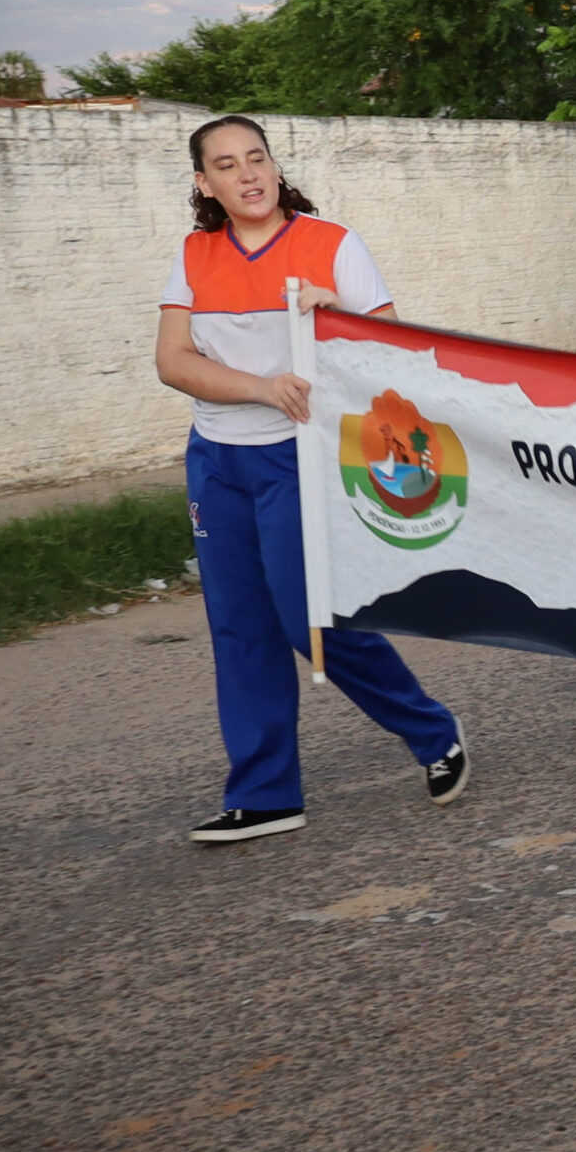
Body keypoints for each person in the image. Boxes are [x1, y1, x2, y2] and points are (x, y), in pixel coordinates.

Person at [156, 115, 470, 843]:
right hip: (217, 459)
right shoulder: (195, 254)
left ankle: (432, 730)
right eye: (227, 165)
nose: (248, 174)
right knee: (239, 625)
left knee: (309, 619)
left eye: (257, 158)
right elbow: (173, 361)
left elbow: (391, 352)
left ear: (274, 165)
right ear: (205, 183)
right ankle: (265, 792)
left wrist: (336, 319)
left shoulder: (331, 242)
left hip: (295, 455)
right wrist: (261, 388)